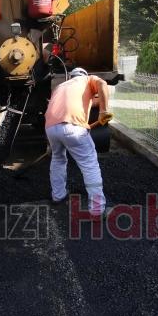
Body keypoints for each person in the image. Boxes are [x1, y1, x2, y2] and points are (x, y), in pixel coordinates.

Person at [44, 67, 112, 217]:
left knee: (58, 159)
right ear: (84, 75)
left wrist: (99, 103)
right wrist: (104, 111)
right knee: (89, 164)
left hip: (50, 128)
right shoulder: (88, 80)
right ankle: (97, 210)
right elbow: (102, 84)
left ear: (71, 76)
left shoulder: (61, 86)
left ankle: (58, 195)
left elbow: (88, 102)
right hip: (73, 127)